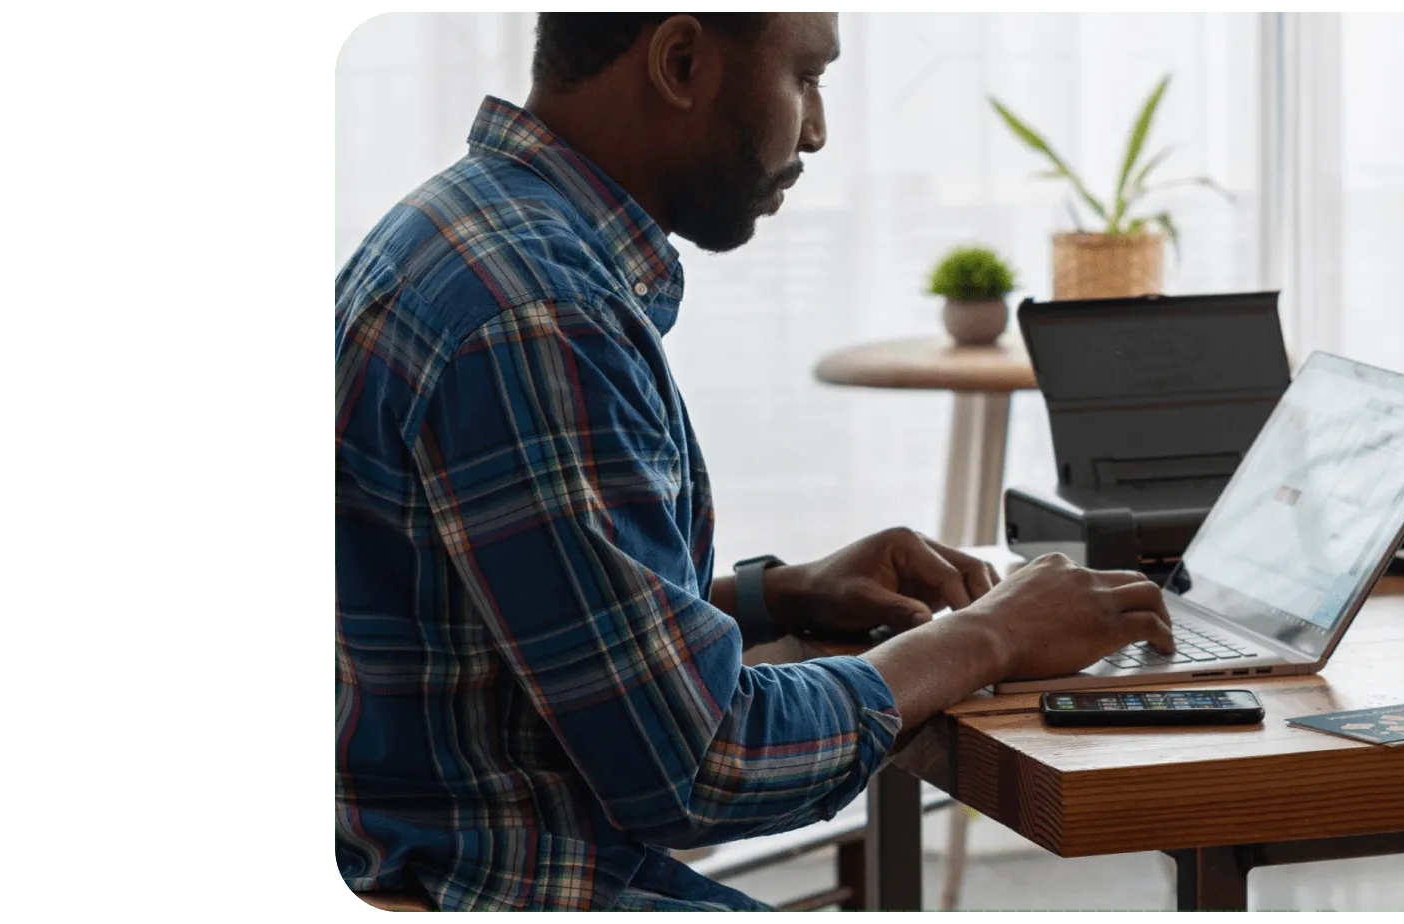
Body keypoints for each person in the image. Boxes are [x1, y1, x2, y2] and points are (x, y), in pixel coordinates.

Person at [334, 10, 1174, 911]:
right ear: (682, 60)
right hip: (506, 884)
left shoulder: (460, 230)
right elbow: (699, 764)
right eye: (806, 78)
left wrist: (778, 592)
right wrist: (988, 634)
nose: (817, 129)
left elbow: (516, 629)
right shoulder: (539, 312)